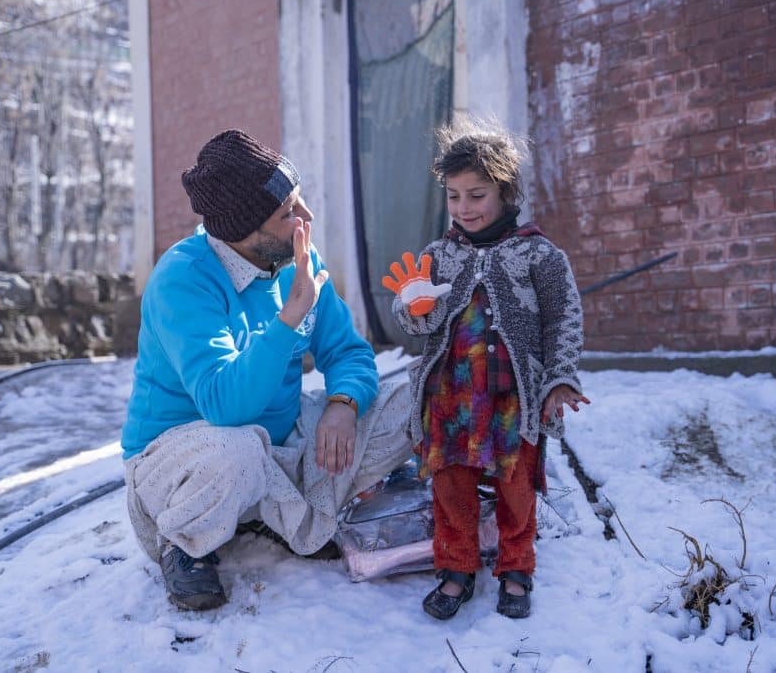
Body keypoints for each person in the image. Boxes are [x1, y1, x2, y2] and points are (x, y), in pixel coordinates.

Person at [121, 129, 411, 611]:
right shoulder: (183, 279)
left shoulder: (296, 258)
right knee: (237, 452)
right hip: (189, 458)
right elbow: (225, 407)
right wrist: (289, 318)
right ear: (243, 231)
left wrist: (343, 405)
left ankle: (268, 514)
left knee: (417, 393)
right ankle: (186, 541)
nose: (307, 218)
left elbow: (349, 353)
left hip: (277, 442)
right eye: (288, 213)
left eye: (299, 202)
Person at [382, 118, 588, 620]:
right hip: (449, 397)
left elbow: (564, 317)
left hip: (510, 399)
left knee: (516, 487)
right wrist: (413, 307)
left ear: (506, 191)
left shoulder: (539, 254)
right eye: (453, 196)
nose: (464, 208)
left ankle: (516, 567)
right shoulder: (439, 256)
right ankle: (455, 568)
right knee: (451, 486)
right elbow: (415, 321)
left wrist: (560, 377)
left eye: (476, 195)